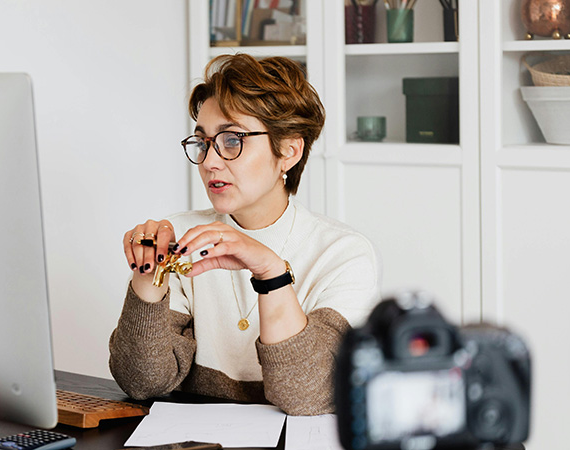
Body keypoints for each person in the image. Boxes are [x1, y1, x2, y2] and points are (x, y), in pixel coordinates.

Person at [109, 54, 380, 415]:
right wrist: (148, 278)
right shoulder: (181, 237)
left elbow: (309, 396)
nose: (209, 161)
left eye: (232, 139)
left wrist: (272, 273)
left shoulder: (343, 254)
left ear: (289, 150)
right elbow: (142, 382)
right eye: (203, 142)